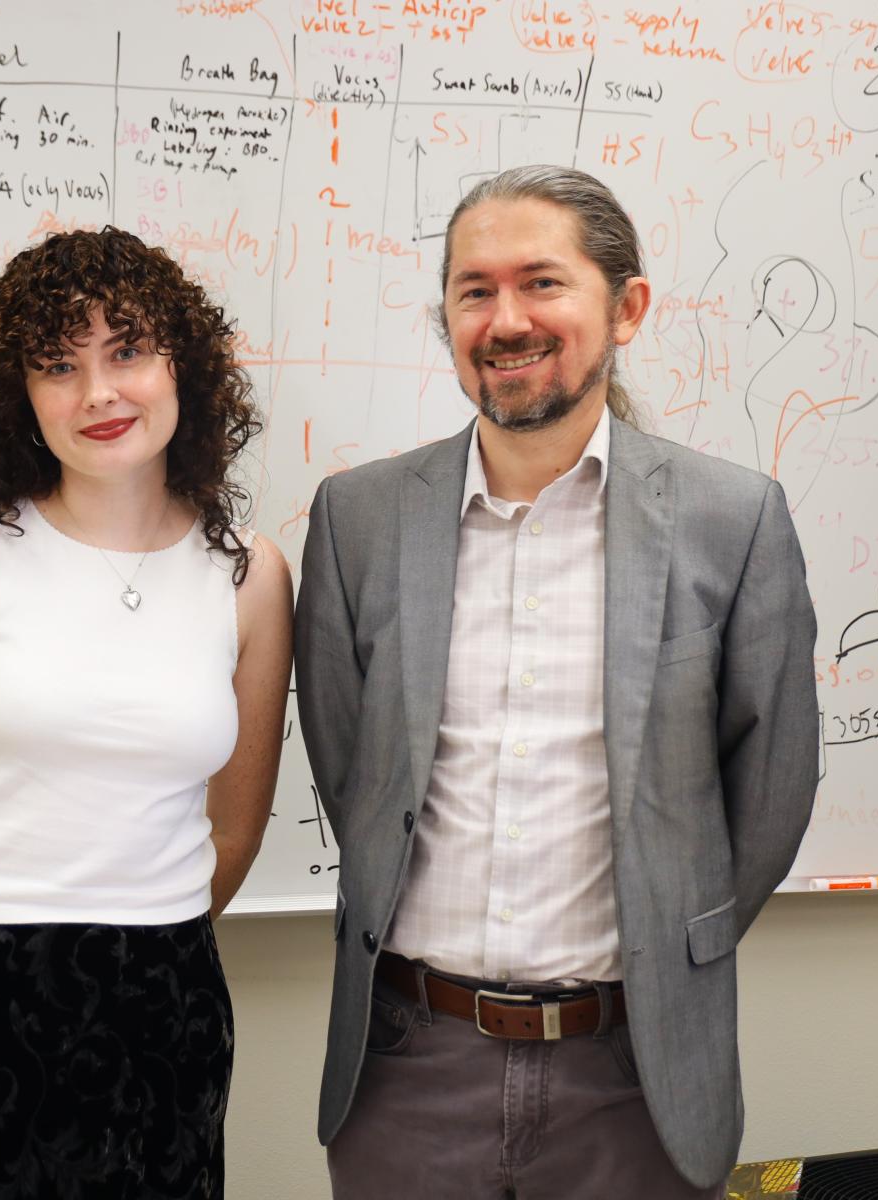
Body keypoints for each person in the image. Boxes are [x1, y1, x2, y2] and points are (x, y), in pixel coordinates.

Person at [294, 165, 819, 1198]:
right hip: (407, 1069)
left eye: (542, 283)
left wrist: (675, 940)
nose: (505, 320)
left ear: (626, 307)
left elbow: (771, 787)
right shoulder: (357, 520)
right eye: (474, 290)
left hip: (634, 1071)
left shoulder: (731, 519)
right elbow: (350, 763)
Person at [0, 226, 292, 1199]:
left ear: (183, 366)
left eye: (127, 350)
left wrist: (134, 930)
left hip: (161, 991)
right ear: (19, 394)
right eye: (57, 366)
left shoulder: (249, 575)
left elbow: (237, 825)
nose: (98, 394)